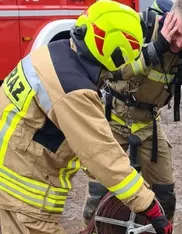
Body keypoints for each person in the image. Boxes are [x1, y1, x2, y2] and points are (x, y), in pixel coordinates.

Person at [0, 1, 172, 233]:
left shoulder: (53, 53)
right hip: (22, 200)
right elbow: (101, 154)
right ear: (118, 52)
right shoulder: (74, 90)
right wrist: (149, 206)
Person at [81, 0, 182, 229]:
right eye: (176, 34)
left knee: (165, 195)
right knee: (99, 192)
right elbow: (113, 73)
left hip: (148, 126)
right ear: (170, 19)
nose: (179, 43)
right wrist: (156, 47)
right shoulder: (140, 28)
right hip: (114, 120)